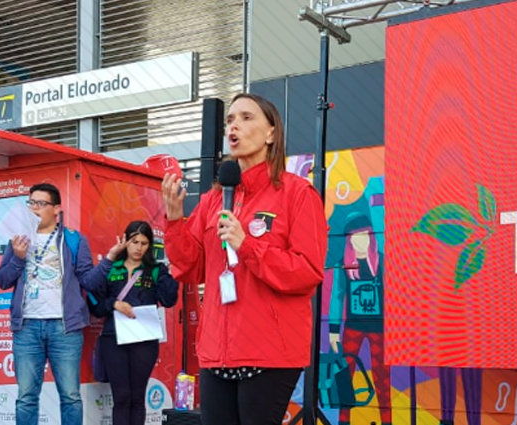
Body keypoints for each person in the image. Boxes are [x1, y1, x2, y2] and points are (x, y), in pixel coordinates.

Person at [162, 93, 328, 425]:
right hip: (216, 352)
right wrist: (174, 219)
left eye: (246, 118)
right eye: (230, 120)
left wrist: (248, 246)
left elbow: (307, 271)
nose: (234, 126)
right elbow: (190, 268)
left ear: (271, 133)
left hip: (270, 351)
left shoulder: (297, 194)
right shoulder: (213, 199)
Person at [0, 182, 109, 425]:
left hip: (64, 328)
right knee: (26, 396)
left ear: (56, 208)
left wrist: (109, 260)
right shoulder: (17, 239)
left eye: (41, 203)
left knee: (70, 395)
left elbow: (88, 280)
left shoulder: (74, 240)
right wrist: (17, 257)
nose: (34, 208)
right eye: (31, 203)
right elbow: (2, 280)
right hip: (27, 327)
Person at [87, 220, 180, 425]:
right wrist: (114, 304)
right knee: (121, 398)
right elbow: (94, 302)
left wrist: (172, 275)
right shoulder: (112, 267)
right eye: (134, 241)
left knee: (137, 397)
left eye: (144, 243)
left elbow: (169, 300)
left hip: (144, 339)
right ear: (125, 240)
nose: (138, 248)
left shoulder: (156, 270)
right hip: (114, 339)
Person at [328, 211, 391, 425]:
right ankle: (343, 421)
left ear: (371, 236)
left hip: (380, 328)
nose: (360, 241)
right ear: (348, 239)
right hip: (353, 326)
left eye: (364, 235)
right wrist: (333, 331)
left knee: (382, 377)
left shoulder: (381, 261)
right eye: (355, 236)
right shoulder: (344, 265)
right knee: (345, 375)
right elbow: (337, 296)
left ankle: (387, 420)